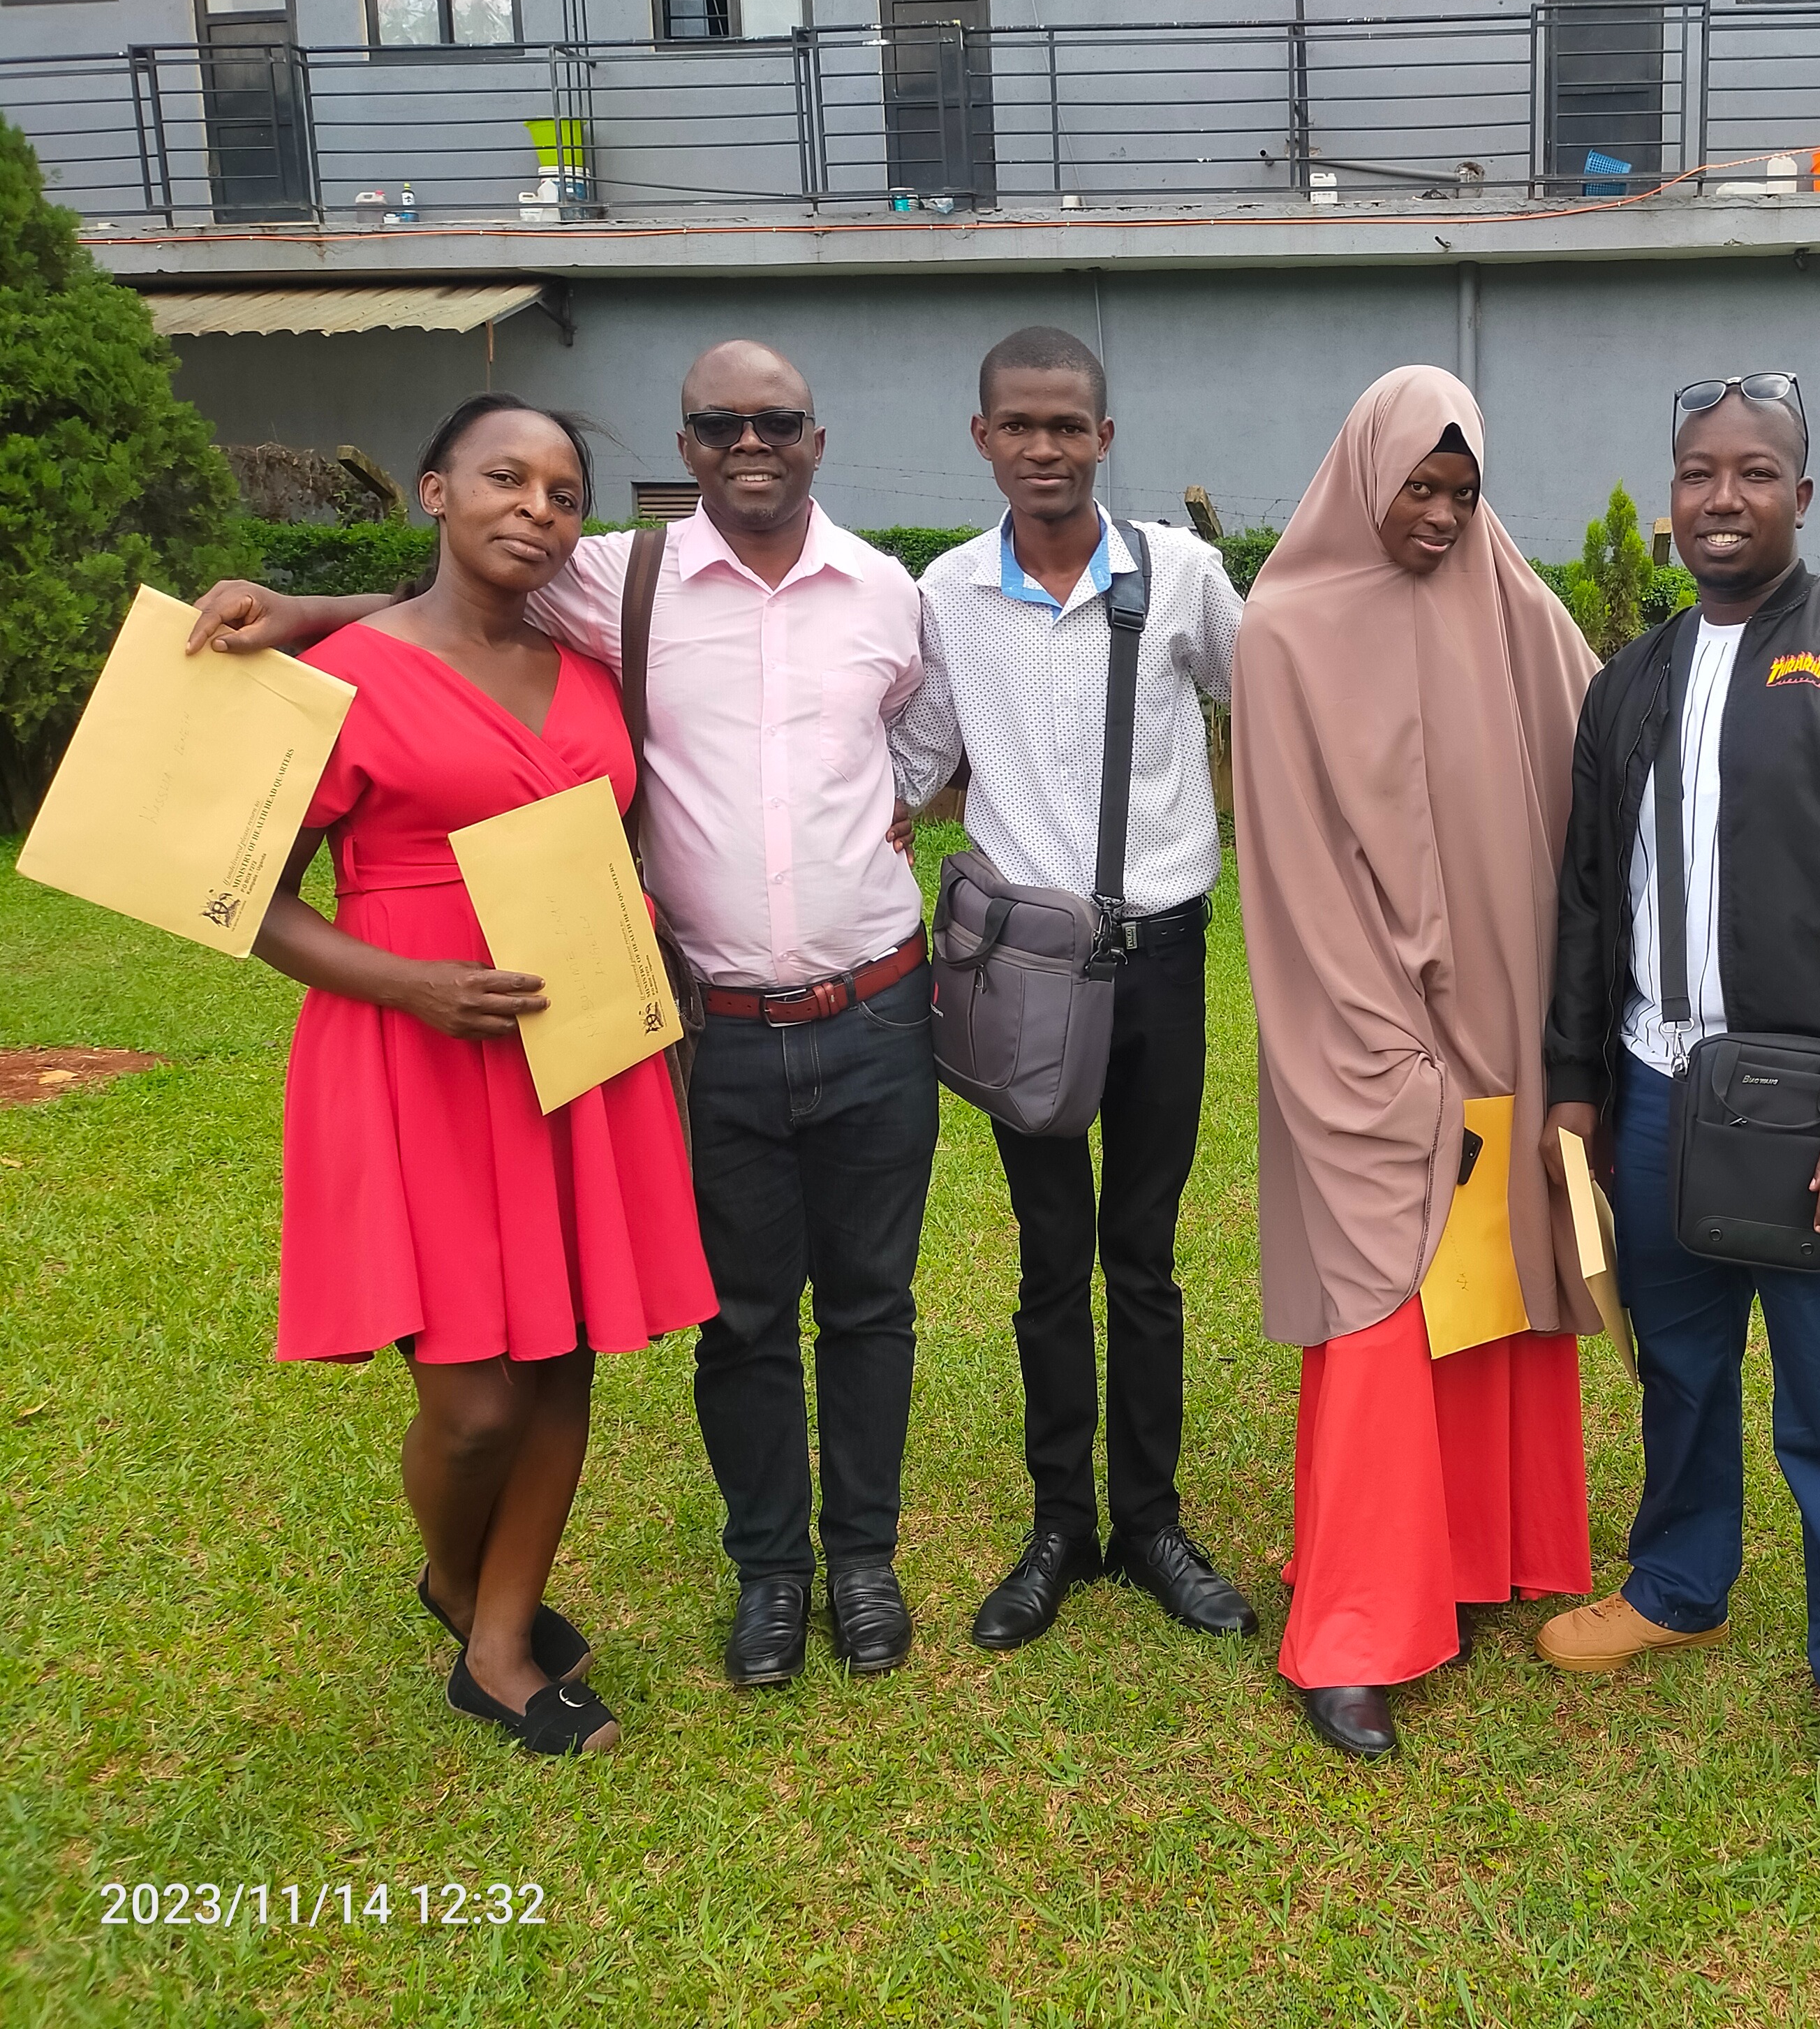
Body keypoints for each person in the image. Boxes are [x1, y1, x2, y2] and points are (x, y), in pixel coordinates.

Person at [193, 342, 937, 1691]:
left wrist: (898, 808)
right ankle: (764, 1576)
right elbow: (436, 614)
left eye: (778, 419)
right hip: (613, 1030)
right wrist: (300, 610)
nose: (535, 510)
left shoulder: (879, 593)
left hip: (753, 1022)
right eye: (719, 421)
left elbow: (920, 732)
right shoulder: (622, 587)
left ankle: (856, 1567)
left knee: (852, 1307)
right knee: (725, 1324)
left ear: (818, 438)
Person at [242, 394, 718, 1757]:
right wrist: (413, 986)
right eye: (505, 478)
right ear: (434, 491)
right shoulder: (340, 678)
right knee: (471, 1403)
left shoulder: (589, 671)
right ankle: (454, 1579)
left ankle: (498, 1644)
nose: (537, 510)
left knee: (562, 1363)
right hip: (414, 1054)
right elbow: (250, 898)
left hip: (576, 1049)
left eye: (564, 495)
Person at [1536, 372, 1820, 1799]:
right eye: (1696, 473)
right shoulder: (1630, 680)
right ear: (1672, 496)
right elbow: (1589, 897)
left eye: (1753, 473)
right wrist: (1575, 1081)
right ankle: (1678, 1585)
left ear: (1803, 494)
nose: (1720, 499)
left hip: (1816, 1106)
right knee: (1676, 1365)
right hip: (1657, 1086)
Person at [1234, 364, 1599, 1760]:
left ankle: (1479, 1550)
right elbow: (1291, 870)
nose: (1439, 517)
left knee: (1494, 1278)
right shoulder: (1285, 629)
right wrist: (1388, 1053)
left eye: (1462, 491)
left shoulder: (1510, 605)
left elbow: (1611, 743)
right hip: (1364, 1029)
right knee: (1381, 1298)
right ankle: (1355, 1628)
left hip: (1506, 1015)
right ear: (1363, 473)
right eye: (1417, 488)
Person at [900, 327, 1256, 1652]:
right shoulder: (945, 593)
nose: (1043, 448)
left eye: (1067, 426)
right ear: (981, 436)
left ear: (1105, 437)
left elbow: (1272, 697)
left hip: (1162, 957)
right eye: (1018, 425)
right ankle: (1061, 1524)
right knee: (1050, 1256)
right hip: (1022, 976)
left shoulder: (1180, 575)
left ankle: (1151, 1521)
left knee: (1143, 1254)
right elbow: (916, 759)